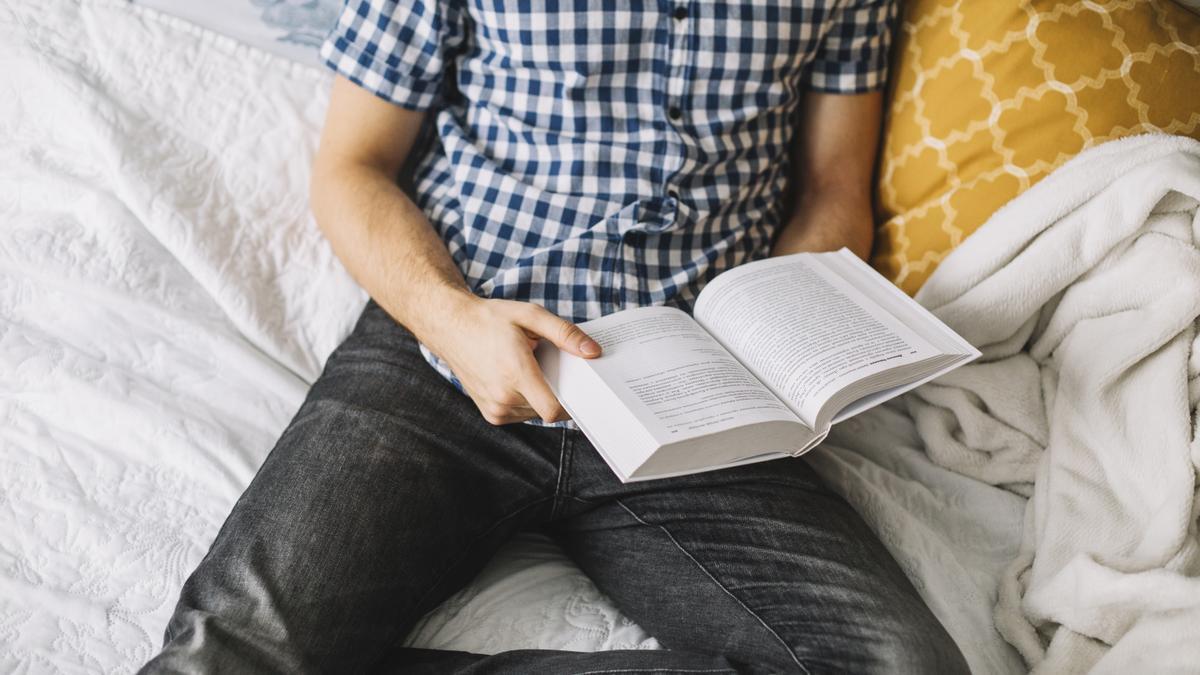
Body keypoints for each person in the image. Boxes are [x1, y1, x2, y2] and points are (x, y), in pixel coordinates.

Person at [143, 1, 970, 672]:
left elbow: (832, 191)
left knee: (903, 664)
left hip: (696, 401)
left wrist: (783, 342)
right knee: (230, 652)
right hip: (448, 354)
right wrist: (451, 319)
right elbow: (350, 167)